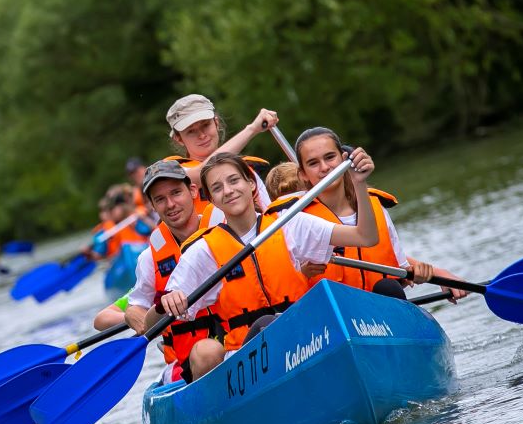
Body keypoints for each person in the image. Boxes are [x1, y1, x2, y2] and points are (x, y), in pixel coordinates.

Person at [148, 149, 381, 384]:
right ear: (212, 199)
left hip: (308, 341)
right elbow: (152, 325)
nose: (228, 191)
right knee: (256, 330)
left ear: (251, 184)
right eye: (217, 188)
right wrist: (165, 302)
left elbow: (366, 237)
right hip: (248, 366)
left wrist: (359, 183)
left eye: (234, 180)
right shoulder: (204, 251)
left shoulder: (288, 224)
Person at [290, 127, 468, 301]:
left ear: (344, 158)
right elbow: (287, 286)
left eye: (330, 157)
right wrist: (302, 274)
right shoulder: (298, 220)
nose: (324, 167)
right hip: (333, 314)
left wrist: (437, 274)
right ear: (303, 174)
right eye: (313, 163)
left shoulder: (375, 206)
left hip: (379, 312)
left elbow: (399, 269)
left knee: (388, 288)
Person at [122, 160, 227, 383]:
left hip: (241, 338)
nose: (170, 204)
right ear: (152, 206)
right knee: (207, 353)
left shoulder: (227, 228)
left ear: (192, 190)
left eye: (176, 193)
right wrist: (135, 311)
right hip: (193, 361)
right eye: (160, 199)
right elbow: (140, 313)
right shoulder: (149, 259)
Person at [165, 94, 278, 213]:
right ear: (179, 139)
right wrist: (253, 129)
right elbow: (202, 172)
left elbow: (269, 213)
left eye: (205, 125)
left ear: (216, 123)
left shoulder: (245, 167)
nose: (202, 135)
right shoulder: (171, 170)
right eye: (191, 131)